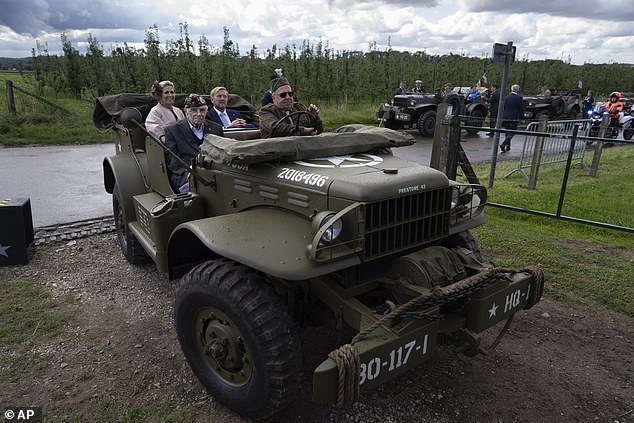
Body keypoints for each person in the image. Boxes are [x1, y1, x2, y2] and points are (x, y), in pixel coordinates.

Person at [164, 94, 223, 192]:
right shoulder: (172, 131)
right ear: (186, 112)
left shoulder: (216, 128)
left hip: (213, 172)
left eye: (202, 110)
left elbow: (222, 154)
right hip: (185, 174)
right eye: (194, 110)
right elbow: (173, 161)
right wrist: (191, 171)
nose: (199, 114)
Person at [259, 77, 323, 138]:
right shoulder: (266, 111)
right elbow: (275, 128)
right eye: (283, 95)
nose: (288, 97)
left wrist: (314, 117)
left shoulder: (299, 108)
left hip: (302, 146)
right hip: (275, 147)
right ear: (273, 97)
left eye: (290, 94)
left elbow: (318, 130)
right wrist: (302, 131)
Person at [500, 84, 524, 153]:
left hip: (506, 116)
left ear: (511, 89)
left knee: (507, 131)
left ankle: (508, 146)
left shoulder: (506, 97)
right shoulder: (519, 98)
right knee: (512, 132)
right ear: (518, 90)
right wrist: (522, 117)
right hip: (514, 117)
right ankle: (504, 144)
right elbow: (521, 108)